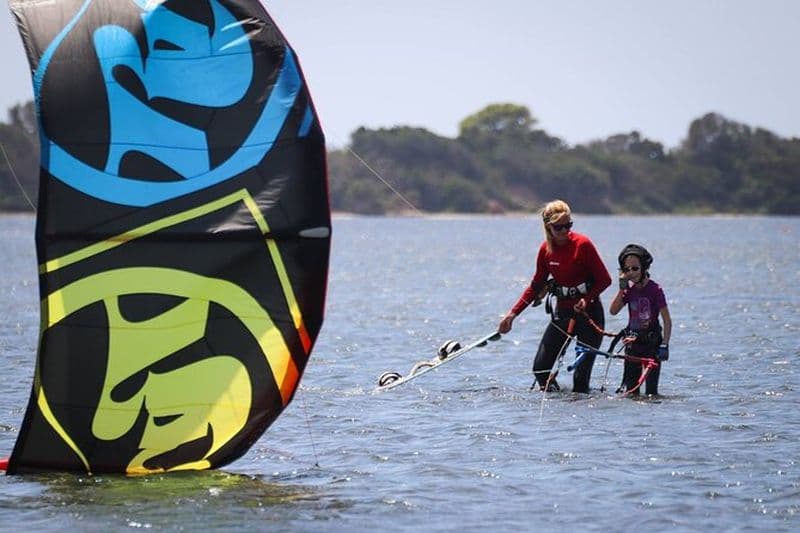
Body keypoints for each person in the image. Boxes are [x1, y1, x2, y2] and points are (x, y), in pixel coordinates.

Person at [498, 200, 611, 393]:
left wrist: (587, 298)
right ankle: (556, 408)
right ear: (548, 227)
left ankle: (579, 416)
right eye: (558, 227)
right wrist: (512, 315)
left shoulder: (583, 245)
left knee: (580, 380)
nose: (564, 231)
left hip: (589, 314)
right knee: (540, 370)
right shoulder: (545, 250)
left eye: (568, 225)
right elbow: (536, 285)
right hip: (563, 314)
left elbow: (605, 280)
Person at [609, 244, 672, 395]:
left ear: (644, 268)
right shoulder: (628, 291)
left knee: (651, 393)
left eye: (635, 268)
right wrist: (622, 289)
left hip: (652, 345)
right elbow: (613, 311)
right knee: (630, 391)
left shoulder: (655, 290)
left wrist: (664, 344)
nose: (631, 273)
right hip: (632, 345)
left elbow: (667, 320)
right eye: (627, 269)